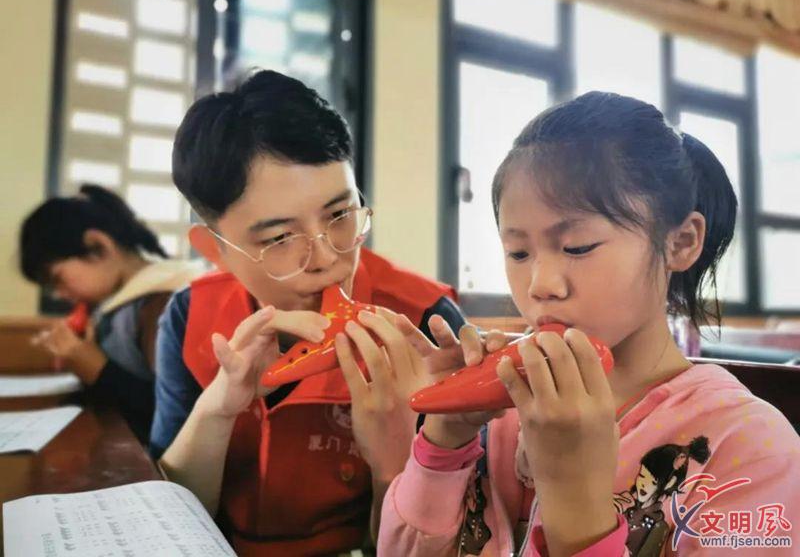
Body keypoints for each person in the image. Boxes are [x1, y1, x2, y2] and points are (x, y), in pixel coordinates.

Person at [377, 92, 800, 556]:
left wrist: (576, 506)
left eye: (577, 247)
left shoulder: (750, 446)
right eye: (518, 252)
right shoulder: (503, 416)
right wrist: (443, 443)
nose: (540, 284)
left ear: (680, 242)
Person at [151, 69, 466, 555]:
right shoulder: (189, 317)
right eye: (280, 238)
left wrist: (397, 460)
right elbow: (168, 520)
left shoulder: (427, 323)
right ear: (215, 250)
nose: (325, 258)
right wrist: (217, 408)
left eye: (340, 215)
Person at [19, 184, 202, 443]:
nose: (58, 294)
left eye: (57, 278)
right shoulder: (118, 303)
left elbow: (177, 416)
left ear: (98, 245)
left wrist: (96, 368)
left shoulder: (161, 303)